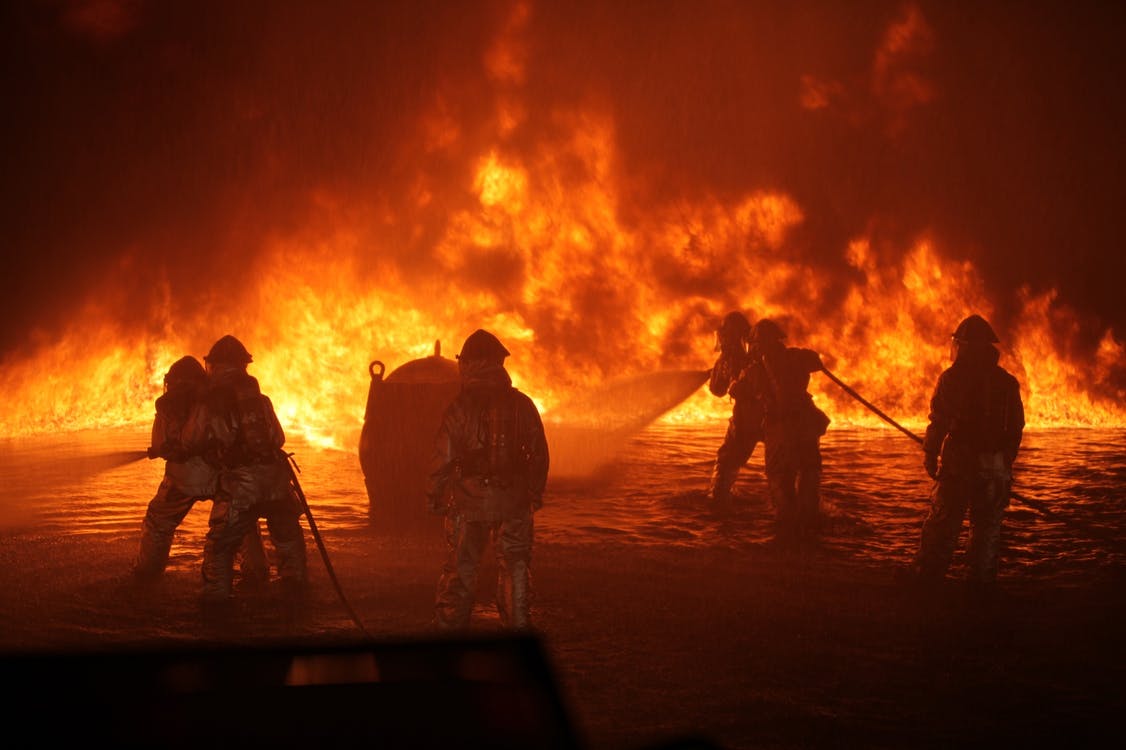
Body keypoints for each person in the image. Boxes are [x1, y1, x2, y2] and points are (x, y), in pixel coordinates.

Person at [426, 329, 549, 630]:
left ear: (468, 364)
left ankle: (450, 632)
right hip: (514, 501)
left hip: (468, 502)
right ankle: (518, 630)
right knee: (515, 565)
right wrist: (533, 493)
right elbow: (539, 455)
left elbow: (442, 458)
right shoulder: (523, 405)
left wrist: (434, 495)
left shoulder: (459, 407)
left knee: (462, 567)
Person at [182, 335, 308, 602]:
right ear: (244, 365)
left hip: (241, 486)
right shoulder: (261, 400)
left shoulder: (209, 401)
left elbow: (191, 441)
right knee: (288, 539)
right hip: (276, 480)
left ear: (213, 365)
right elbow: (278, 439)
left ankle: (217, 612)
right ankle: (298, 600)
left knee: (220, 548)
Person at [131, 355, 268, 585]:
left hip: (183, 478)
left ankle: (147, 572)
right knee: (242, 521)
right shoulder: (216, 399)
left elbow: (161, 444)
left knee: (159, 521)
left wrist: (163, 450)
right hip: (221, 475)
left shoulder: (167, 403)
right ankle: (257, 572)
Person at [911, 314, 1024, 590]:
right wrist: (1004, 462)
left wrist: (929, 452)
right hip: (995, 466)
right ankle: (980, 586)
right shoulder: (1007, 382)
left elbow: (939, 420)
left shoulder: (953, 379)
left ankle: (928, 581)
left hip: (960, 463)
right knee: (987, 530)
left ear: (963, 346)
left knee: (942, 523)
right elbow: (1016, 427)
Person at [744, 319, 830, 538]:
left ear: (757, 343)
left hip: (780, 431)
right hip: (805, 426)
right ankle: (810, 526)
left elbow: (741, 393)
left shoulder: (754, 370)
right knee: (808, 474)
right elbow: (815, 360)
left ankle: (787, 533)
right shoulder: (797, 357)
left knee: (781, 481)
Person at [707, 311, 765, 510]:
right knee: (783, 469)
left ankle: (718, 503)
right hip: (773, 417)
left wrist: (719, 371)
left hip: (747, 418)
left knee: (726, 462)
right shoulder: (760, 352)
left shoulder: (728, 359)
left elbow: (717, 390)